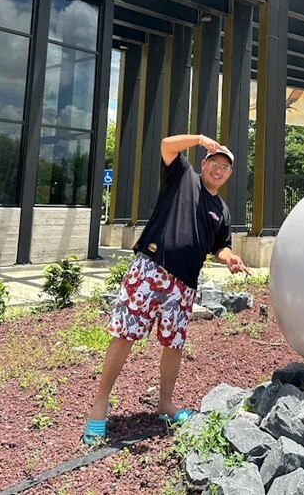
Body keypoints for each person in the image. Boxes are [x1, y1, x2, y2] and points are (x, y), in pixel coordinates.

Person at [83, 133, 252, 445]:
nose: (218, 170)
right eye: (215, 163)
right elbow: (165, 145)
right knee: (125, 335)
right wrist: (200, 138)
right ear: (204, 163)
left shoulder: (222, 211)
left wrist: (229, 258)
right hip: (151, 268)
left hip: (184, 285)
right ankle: (99, 406)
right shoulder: (182, 177)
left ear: (229, 175)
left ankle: (165, 404)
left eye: (225, 168)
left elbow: (219, 248)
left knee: (173, 344)